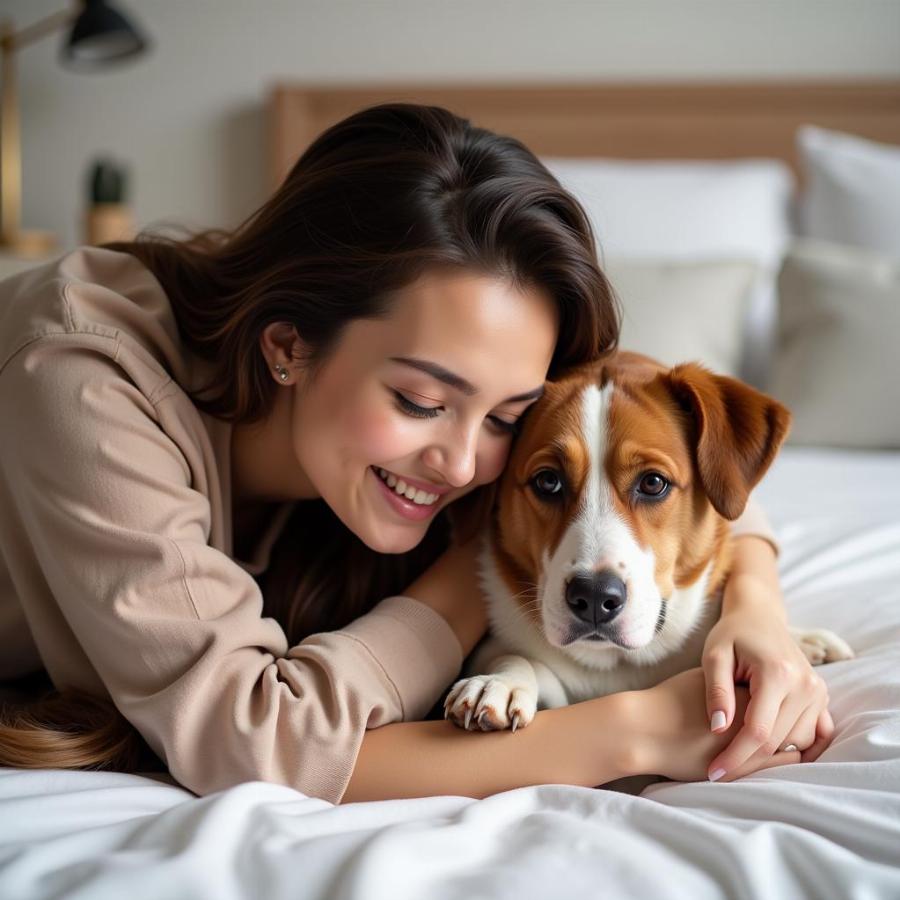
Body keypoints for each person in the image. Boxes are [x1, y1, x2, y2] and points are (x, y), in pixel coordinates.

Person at [0, 103, 832, 805]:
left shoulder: (407, 438)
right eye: (422, 402)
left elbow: (658, 455)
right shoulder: (79, 376)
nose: (467, 465)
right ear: (287, 344)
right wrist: (634, 729)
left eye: (508, 416)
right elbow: (254, 738)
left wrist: (754, 603)